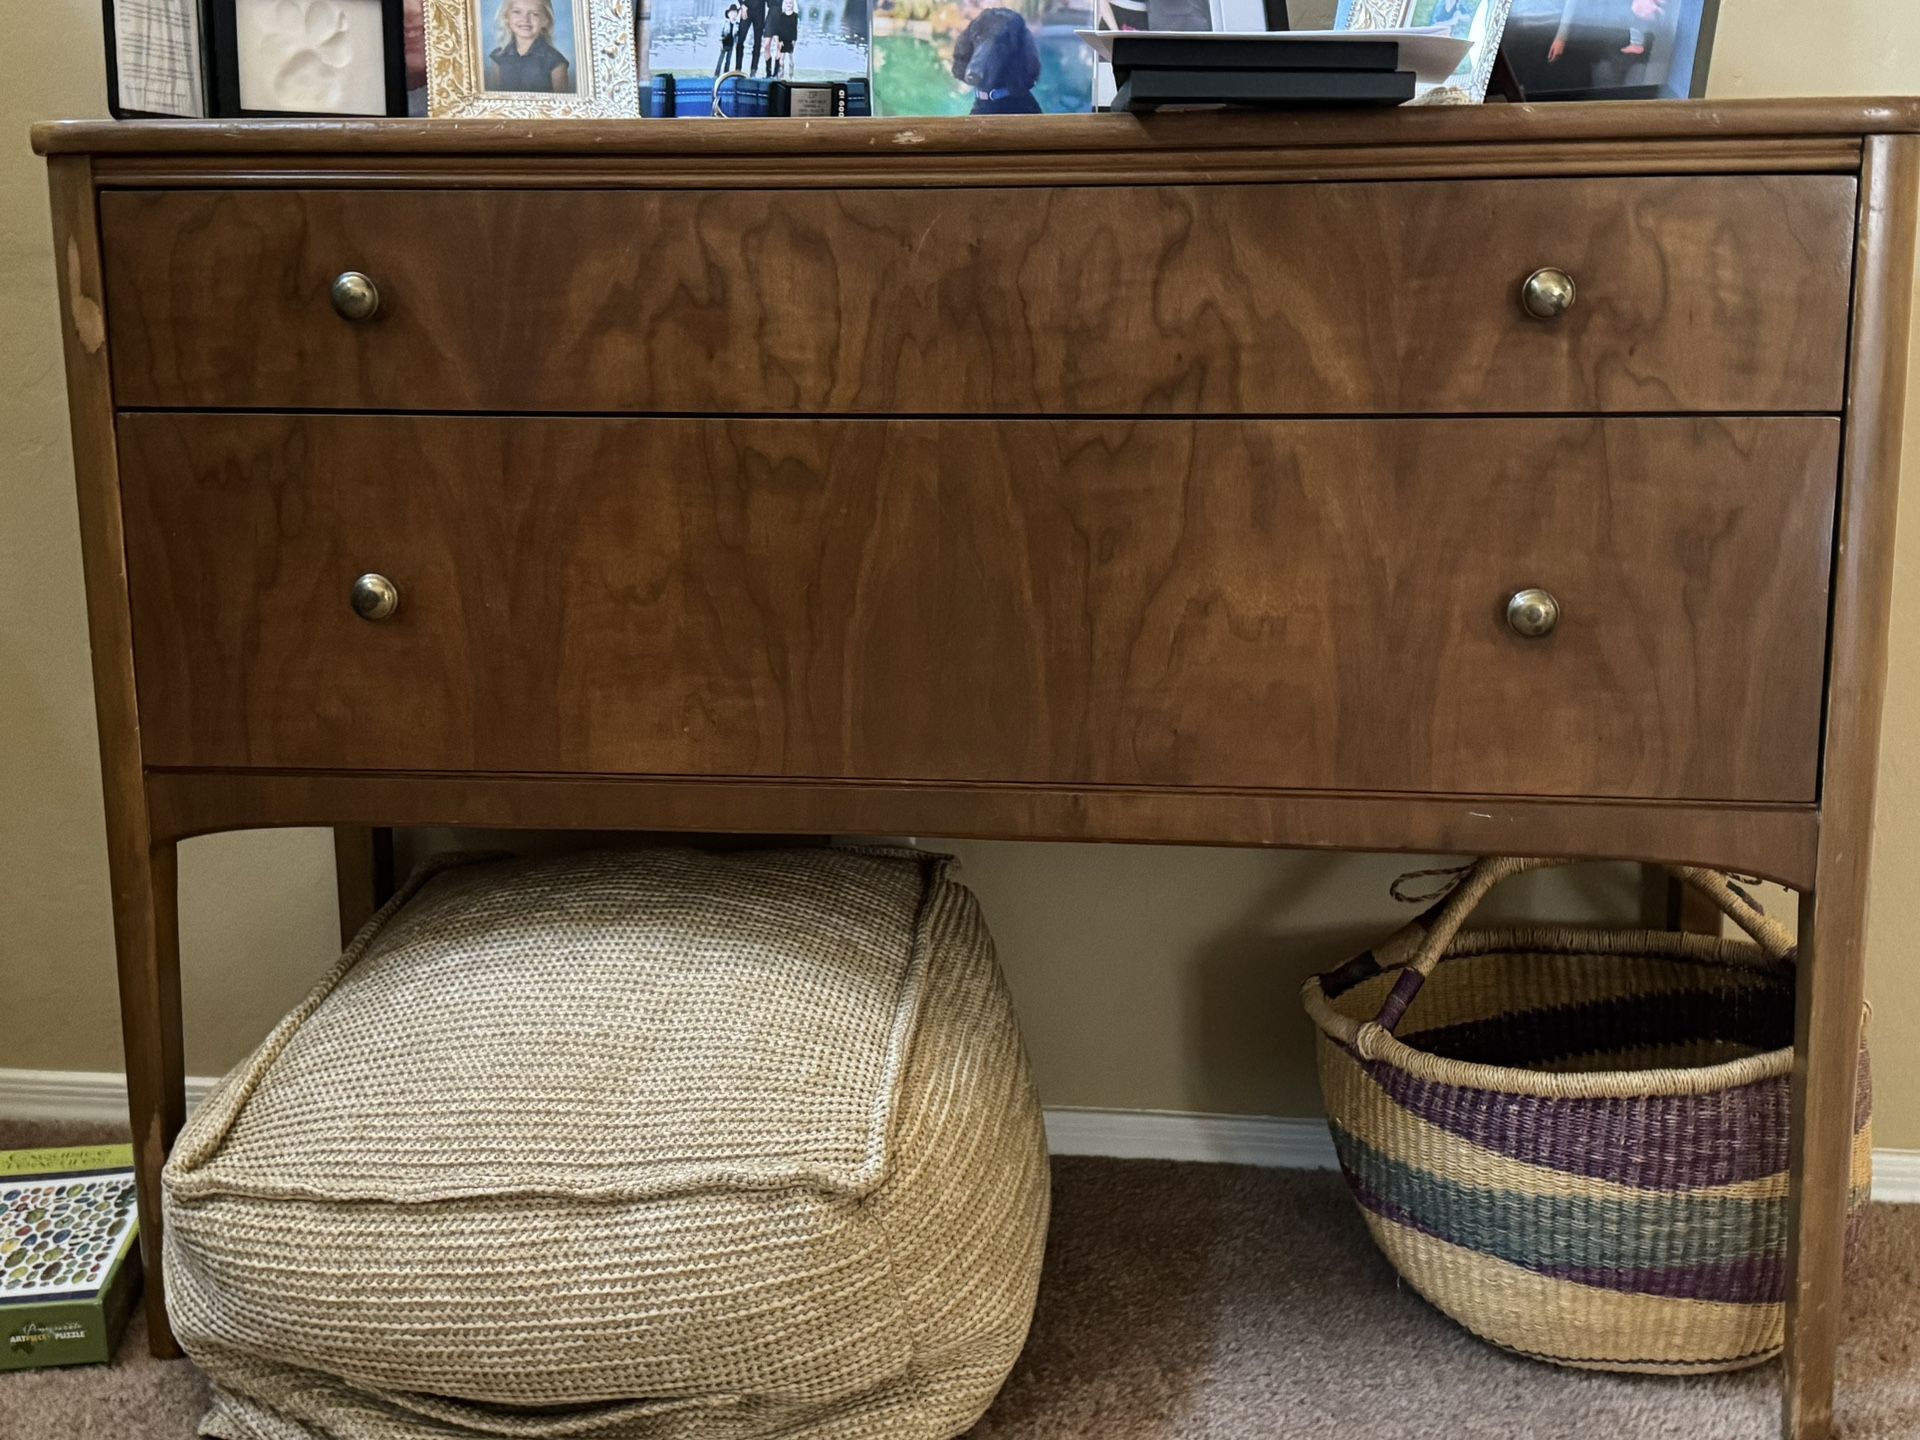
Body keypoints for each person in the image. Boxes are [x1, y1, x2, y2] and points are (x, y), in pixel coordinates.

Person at [486, 0, 574, 92]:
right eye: (517, 12)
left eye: (534, 14)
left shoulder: (556, 62)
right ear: (506, 17)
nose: (525, 19)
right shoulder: (498, 58)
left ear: (546, 20)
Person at [716, 2, 744, 74]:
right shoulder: (725, 23)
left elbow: (737, 35)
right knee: (721, 59)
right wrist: (720, 43)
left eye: (735, 13)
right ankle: (717, 73)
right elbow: (721, 34)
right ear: (728, 14)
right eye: (732, 13)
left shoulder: (736, 25)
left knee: (728, 60)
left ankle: (726, 73)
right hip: (725, 43)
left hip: (731, 44)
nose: (733, 15)